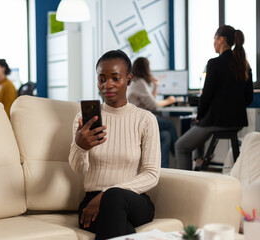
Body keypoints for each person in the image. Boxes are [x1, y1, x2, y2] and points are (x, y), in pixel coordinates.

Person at [69, 50, 161, 240]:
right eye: (101, 79)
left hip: (134, 200)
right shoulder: (82, 118)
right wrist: (80, 146)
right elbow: (78, 169)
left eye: (115, 78)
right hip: (91, 202)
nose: (107, 85)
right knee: (121, 227)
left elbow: (152, 174)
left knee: (114, 197)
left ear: (128, 80)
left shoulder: (145, 120)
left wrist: (106, 193)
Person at [175, 25, 254, 170]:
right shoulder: (244, 65)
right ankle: (199, 161)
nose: (214, 43)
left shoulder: (214, 64)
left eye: (214, 39)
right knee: (197, 125)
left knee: (181, 146)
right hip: (237, 122)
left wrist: (199, 115)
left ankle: (186, 181)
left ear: (221, 40)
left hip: (217, 121)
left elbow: (206, 96)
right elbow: (249, 98)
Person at [127, 57, 177, 168]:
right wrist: (170, 100)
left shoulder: (136, 82)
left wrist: (155, 86)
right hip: (141, 122)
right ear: (145, 69)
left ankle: (163, 169)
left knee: (166, 135)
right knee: (169, 124)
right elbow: (154, 105)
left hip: (138, 121)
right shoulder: (139, 83)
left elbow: (150, 101)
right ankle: (178, 155)